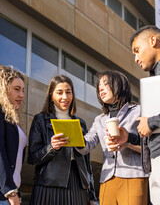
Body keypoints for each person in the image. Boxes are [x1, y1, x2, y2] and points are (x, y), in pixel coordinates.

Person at [76, 70, 149, 205]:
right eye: (99, 87)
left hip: (134, 175)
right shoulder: (99, 120)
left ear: (119, 85)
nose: (101, 89)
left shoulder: (138, 111)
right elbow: (86, 145)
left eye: (105, 84)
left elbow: (151, 145)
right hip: (107, 179)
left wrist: (128, 142)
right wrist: (75, 136)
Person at [27, 75, 96, 205]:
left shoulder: (80, 123)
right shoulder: (40, 120)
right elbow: (32, 158)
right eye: (60, 92)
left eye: (68, 92)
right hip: (49, 185)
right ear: (51, 95)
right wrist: (51, 147)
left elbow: (87, 163)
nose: (65, 97)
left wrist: (91, 193)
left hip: (78, 185)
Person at [127, 25, 160, 205]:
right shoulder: (154, 79)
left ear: (153, 41)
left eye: (137, 50)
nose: (136, 58)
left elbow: (152, 123)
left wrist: (151, 122)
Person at [0, 65, 27, 205]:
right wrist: (10, 190)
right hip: (5, 195)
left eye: (22, 90)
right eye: (17, 89)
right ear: (4, 89)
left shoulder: (10, 118)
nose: (21, 95)